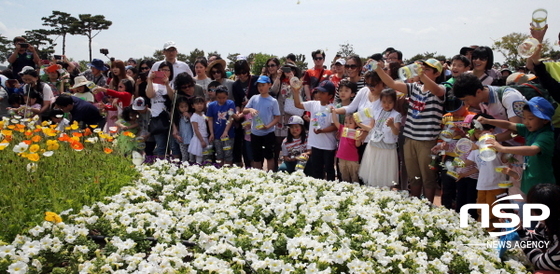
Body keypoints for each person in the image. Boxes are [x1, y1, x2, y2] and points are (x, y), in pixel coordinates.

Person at [375, 58, 445, 203]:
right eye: (422, 69)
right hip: (409, 138)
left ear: (437, 73)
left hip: (427, 141)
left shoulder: (441, 89)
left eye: (427, 70)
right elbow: (392, 83)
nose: (423, 71)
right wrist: (378, 69)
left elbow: (437, 90)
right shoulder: (414, 87)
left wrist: (422, 76)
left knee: (428, 176)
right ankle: (415, 204)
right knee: (414, 176)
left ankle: (429, 207)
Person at [477, 97, 556, 194]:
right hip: (529, 183)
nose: (526, 122)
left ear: (545, 120)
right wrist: (488, 121)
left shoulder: (546, 135)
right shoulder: (530, 130)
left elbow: (533, 149)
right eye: (524, 118)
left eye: (530, 118)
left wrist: (503, 148)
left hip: (541, 186)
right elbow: (509, 125)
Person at [463, 113, 507, 232]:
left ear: (491, 130)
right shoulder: (476, 145)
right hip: (482, 184)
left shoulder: (494, 143)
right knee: (481, 207)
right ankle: (481, 229)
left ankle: (492, 232)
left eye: (479, 130)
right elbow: (468, 162)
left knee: (494, 209)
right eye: (475, 131)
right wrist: (453, 165)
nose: (476, 134)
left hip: (496, 183)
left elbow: (496, 153)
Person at [293, 80, 337, 181]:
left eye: (323, 93)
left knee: (329, 169)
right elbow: (297, 104)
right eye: (318, 92)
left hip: (328, 145)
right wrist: (296, 92)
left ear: (330, 96)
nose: (319, 94)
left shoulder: (333, 108)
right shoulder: (313, 104)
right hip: (315, 144)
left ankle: (332, 189)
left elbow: (335, 126)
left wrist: (322, 130)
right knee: (316, 169)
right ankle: (317, 188)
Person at [358, 88, 402, 187]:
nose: (387, 104)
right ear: (380, 101)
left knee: (384, 172)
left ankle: (383, 194)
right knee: (373, 171)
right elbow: (371, 128)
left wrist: (391, 125)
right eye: (384, 102)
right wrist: (360, 125)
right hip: (373, 146)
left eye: (390, 102)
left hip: (387, 149)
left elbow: (396, 133)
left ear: (394, 102)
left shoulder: (396, 115)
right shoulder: (376, 111)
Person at [517, 184, 560, 272]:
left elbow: (539, 262)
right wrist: (520, 228)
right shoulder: (548, 223)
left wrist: (521, 234)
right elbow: (539, 238)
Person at [243, 75, 281, 170]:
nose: (260, 87)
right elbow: (244, 110)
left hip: (268, 132)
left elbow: (277, 117)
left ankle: (270, 175)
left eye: (263, 85)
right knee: (257, 157)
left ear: (269, 85)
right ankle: (258, 176)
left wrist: (268, 126)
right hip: (255, 132)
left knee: (269, 156)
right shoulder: (254, 98)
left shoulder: (273, 101)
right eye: (259, 85)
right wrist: (250, 109)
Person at [146, 61, 174, 158]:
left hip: (170, 119)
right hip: (157, 118)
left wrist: (167, 84)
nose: (164, 72)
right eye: (161, 70)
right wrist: (149, 80)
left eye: (167, 70)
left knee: (172, 146)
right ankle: (161, 165)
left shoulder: (172, 84)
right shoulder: (153, 85)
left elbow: (173, 98)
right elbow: (150, 95)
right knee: (161, 146)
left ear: (171, 72)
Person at [207, 86, 237, 166]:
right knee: (219, 154)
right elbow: (210, 119)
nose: (221, 100)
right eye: (219, 98)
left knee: (228, 154)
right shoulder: (211, 105)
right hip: (217, 134)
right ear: (216, 96)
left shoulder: (230, 103)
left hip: (228, 134)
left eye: (224, 98)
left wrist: (226, 131)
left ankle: (228, 171)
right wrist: (212, 133)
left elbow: (231, 118)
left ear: (227, 95)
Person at [331, 111, 360, 184]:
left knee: (354, 176)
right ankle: (346, 190)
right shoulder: (342, 129)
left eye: (350, 123)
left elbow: (357, 145)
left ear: (356, 124)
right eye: (346, 122)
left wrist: (358, 138)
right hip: (341, 157)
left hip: (352, 158)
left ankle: (356, 191)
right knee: (344, 176)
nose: (347, 125)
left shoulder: (356, 132)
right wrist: (334, 112)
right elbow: (335, 121)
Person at [188, 97, 210, 164]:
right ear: (193, 106)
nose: (199, 105)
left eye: (201, 103)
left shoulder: (203, 114)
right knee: (199, 156)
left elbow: (208, 121)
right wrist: (202, 141)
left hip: (205, 137)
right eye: (197, 104)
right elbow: (196, 130)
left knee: (205, 155)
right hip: (199, 139)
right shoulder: (194, 117)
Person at [171, 96, 193, 162]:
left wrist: (189, 117)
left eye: (186, 106)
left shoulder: (192, 115)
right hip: (182, 139)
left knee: (192, 156)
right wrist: (177, 136)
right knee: (184, 156)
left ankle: (193, 168)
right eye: (182, 107)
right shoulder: (178, 117)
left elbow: (195, 125)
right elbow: (176, 129)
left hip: (191, 139)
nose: (184, 109)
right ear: (178, 108)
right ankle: (184, 167)